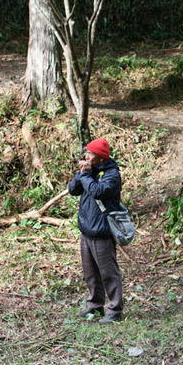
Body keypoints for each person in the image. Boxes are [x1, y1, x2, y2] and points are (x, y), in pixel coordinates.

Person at [68, 137, 123, 324]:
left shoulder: (112, 175)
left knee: (108, 273)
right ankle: (95, 305)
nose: (87, 156)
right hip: (86, 230)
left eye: (91, 154)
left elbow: (98, 191)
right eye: (87, 152)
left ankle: (115, 310)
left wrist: (85, 175)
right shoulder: (90, 171)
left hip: (102, 231)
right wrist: (81, 174)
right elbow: (73, 190)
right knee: (90, 272)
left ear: (101, 158)